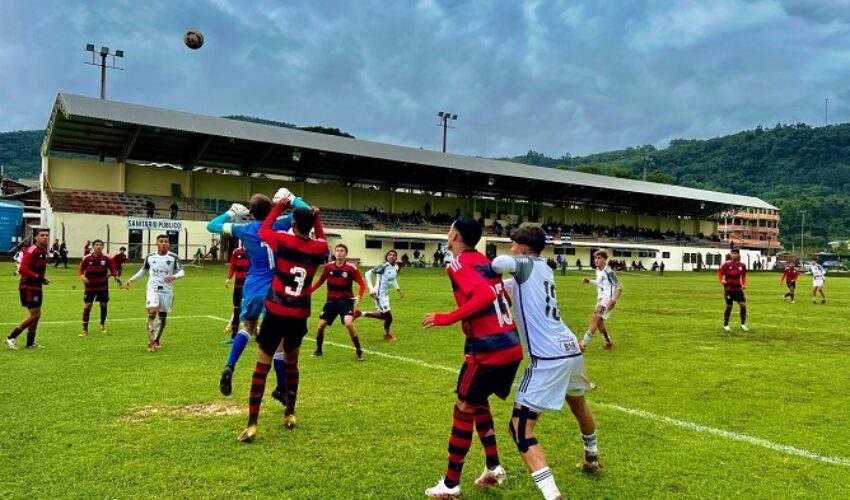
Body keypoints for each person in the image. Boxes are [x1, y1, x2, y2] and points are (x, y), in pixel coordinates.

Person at [491, 226, 601, 500]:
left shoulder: (524, 263)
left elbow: (498, 264)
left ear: (523, 249)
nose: (510, 249)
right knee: (578, 403)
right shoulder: (543, 269)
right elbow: (508, 288)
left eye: (513, 244)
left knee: (519, 427)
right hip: (570, 349)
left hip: (548, 358)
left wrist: (489, 264)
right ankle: (592, 455)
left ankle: (553, 495)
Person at [421, 216, 523, 498]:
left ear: (454, 235)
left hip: (487, 349)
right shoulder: (486, 261)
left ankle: (451, 484)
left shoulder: (456, 264)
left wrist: (447, 318)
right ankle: (492, 467)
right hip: (510, 345)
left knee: (463, 407)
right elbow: (502, 296)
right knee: (477, 403)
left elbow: (483, 295)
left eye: (449, 229)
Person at [236, 197, 327, 442]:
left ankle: (252, 424)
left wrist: (279, 206)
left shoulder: (284, 240)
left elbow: (265, 229)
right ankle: (290, 413)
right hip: (298, 315)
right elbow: (324, 244)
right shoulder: (318, 249)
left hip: (276, 311)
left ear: (293, 223)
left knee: (261, 366)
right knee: (291, 363)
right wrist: (316, 221)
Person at [207, 189, 311, 402]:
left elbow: (211, 226)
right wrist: (292, 199)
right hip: (274, 288)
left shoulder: (244, 229)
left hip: (252, 286)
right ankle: (281, 387)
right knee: (279, 340)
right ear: (271, 209)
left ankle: (229, 366)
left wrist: (231, 212)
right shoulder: (280, 223)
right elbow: (307, 212)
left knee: (248, 328)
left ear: (251, 213)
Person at [305, 243, 367, 361]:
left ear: (346, 254)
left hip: (346, 301)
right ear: (334, 253)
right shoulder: (328, 267)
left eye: (342, 251)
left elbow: (362, 284)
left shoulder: (351, 268)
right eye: (337, 250)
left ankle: (359, 350)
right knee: (320, 326)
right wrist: (309, 291)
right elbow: (320, 281)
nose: (339, 253)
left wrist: (359, 295)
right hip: (332, 301)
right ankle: (318, 350)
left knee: (348, 323)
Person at [124, 234, 185, 351]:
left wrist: (174, 277)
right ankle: (151, 342)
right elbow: (143, 270)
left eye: (166, 242)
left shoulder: (173, 257)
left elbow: (182, 272)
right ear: (156, 243)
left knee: (162, 316)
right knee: (152, 312)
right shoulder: (150, 257)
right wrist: (132, 279)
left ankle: (157, 339)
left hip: (166, 290)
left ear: (168, 244)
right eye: (161, 241)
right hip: (152, 288)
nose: (164, 244)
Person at [5, 228, 50, 350]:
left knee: (36, 315)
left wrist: (42, 279)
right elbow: (23, 269)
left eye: (47, 235)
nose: (45, 237)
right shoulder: (32, 250)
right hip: (28, 286)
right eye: (42, 235)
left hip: (36, 285)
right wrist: (37, 277)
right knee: (35, 315)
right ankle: (11, 337)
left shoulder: (43, 250)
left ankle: (30, 343)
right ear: (35, 237)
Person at [357, 250, 404, 341]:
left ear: (396, 258)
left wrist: (398, 290)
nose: (391, 256)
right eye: (390, 255)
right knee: (389, 317)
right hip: (378, 294)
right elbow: (368, 274)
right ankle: (386, 335)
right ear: (387, 257)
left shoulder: (396, 267)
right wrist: (371, 289)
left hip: (385, 295)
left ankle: (361, 313)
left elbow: (393, 279)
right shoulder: (383, 266)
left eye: (394, 255)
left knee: (384, 316)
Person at [580, 250, 623, 350]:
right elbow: (601, 283)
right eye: (595, 258)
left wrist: (614, 300)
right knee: (599, 323)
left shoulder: (609, 272)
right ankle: (609, 344)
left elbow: (620, 286)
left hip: (607, 301)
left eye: (599, 258)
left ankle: (582, 344)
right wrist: (590, 281)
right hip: (601, 299)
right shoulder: (598, 270)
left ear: (604, 260)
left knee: (595, 319)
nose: (596, 260)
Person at [78, 239, 121, 336]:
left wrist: (116, 277)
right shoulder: (87, 258)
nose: (98, 246)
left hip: (103, 286)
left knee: (103, 305)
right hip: (90, 286)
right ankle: (85, 329)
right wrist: (82, 276)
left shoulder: (106, 258)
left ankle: (102, 324)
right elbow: (81, 271)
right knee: (88, 306)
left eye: (100, 245)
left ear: (103, 247)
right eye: (96, 245)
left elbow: (112, 269)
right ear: (93, 247)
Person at [718, 248, 748, 332]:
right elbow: (720, 273)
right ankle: (726, 325)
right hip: (729, 289)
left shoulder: (742, 265)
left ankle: (743, 324)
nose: (733, 255)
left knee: (743, 305)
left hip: (738, 289)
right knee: (729, 306)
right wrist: (722, 280)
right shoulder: (726, 264)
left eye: (735, 253)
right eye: (732, 253)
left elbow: (744, 275)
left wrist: (744, 284)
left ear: (738, 255)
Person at [224, 242, 249, 337]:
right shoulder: (236, 252)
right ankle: (233, 334)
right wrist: (228, 278)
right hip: (238, 286)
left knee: (250, 307)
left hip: (250, 287)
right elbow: (232, 267)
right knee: (237, 307)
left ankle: (253, 330)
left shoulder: (254, 251)